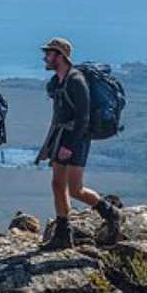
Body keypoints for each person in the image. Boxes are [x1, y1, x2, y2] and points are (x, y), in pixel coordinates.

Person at [35, 37, 121, 250]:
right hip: (61, 136)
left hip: (76, 139)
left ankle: (110, 212)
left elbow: (84, 118)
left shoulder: (76, 80)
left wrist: (69, 146)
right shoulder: (59, 81)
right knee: (57, 184)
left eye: (49, 54)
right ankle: (63, 233)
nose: (45, 58)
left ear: (60, 56)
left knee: (75, 189)